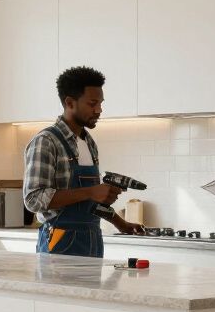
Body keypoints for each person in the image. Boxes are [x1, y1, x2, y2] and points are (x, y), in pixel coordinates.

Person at [23, 66, 145, 258]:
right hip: (59, 240)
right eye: (92, 103)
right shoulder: (46, 142)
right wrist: (91, 191)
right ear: (70, 102)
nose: (99, 110)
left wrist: (121, 223)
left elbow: (90, 203)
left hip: (92, 239)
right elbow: (33, 199)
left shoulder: (89, 143)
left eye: (101, 103)